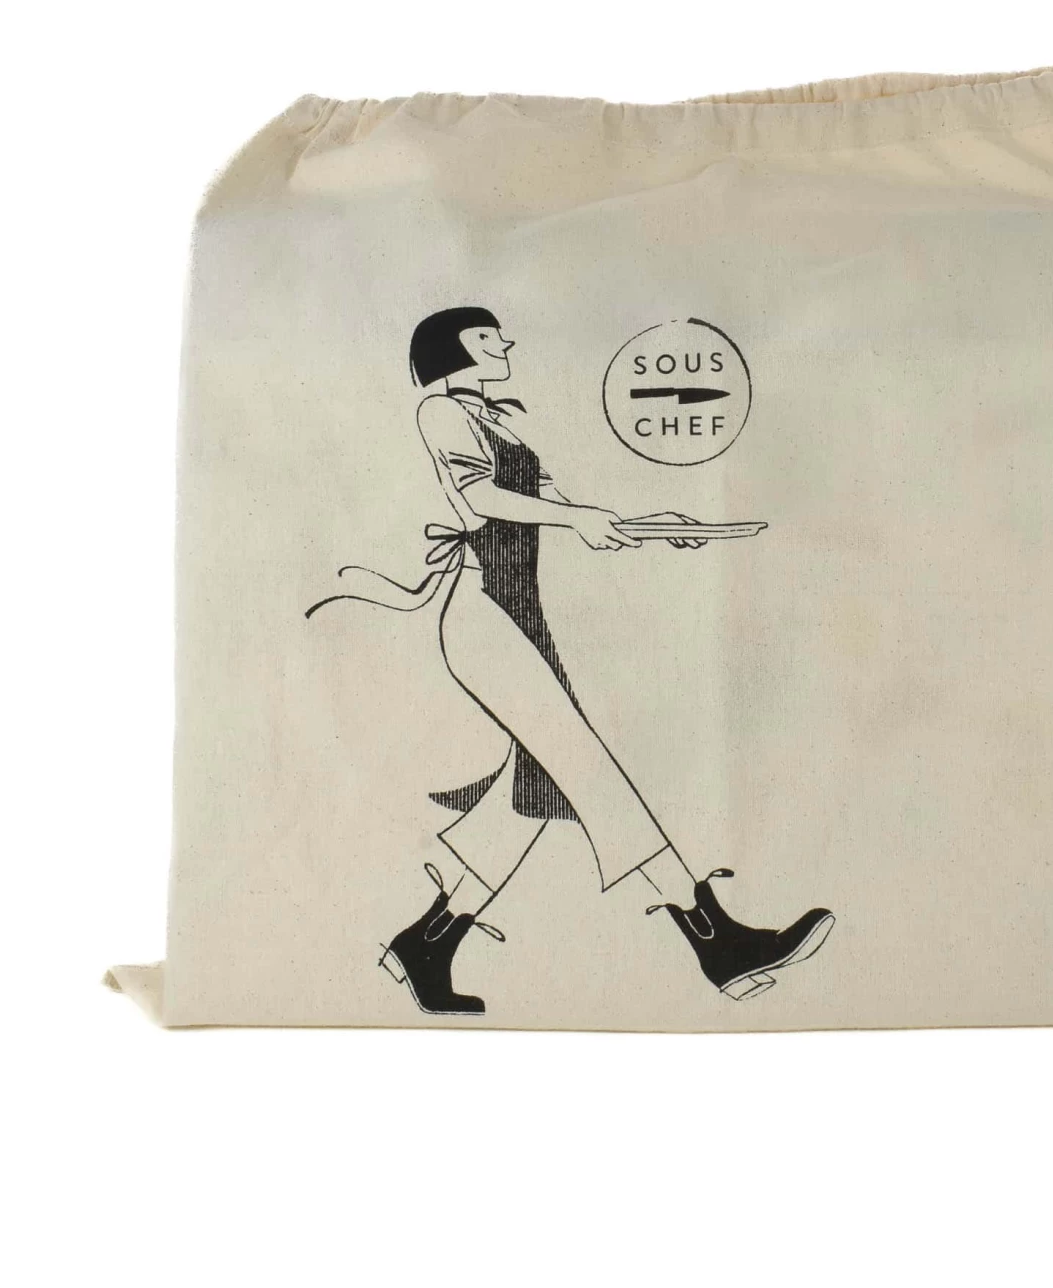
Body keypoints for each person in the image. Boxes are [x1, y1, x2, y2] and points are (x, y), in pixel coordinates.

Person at [309, 307, 833, 1015]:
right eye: (487, 337)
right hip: (485, 615)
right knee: (585, 769)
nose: (504, 343)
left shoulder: (497, 421)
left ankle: (425, 945)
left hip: (518, 613)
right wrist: (577, 519)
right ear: (452, 349)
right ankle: (717, 942)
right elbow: (480, 498)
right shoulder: (441, 411)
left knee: (535, 791)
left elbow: (557, 506)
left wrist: (649, 525)